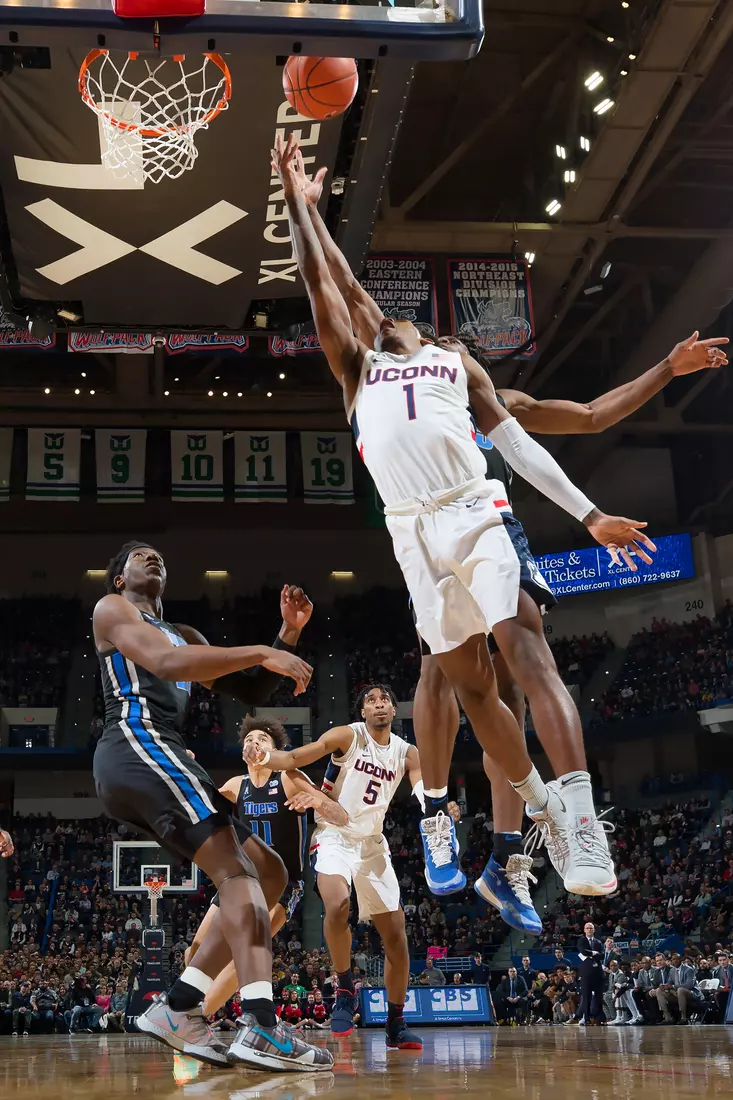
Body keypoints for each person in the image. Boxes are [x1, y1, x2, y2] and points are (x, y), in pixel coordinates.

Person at [273, 134, 705, 918]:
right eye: (380, 315)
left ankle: (576, 824)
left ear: (426, 335)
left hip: (479, 514)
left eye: (398, 316)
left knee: (523, 649)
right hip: (412, 533)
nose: (389, 316)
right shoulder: (358, 364)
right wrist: (304, 212)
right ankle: (506, 805)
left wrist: (589, 512)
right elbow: (326, 287)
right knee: (465, 686)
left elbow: (531, 438)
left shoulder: (456, 362)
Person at [91, 540, 332, 1072]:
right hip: (137, 744)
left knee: (270, 875)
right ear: (118, 579)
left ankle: (177, 1007)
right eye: (138, 555)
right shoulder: (113, 611)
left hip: (164, 753)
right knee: (240, 874)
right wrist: (261, 649)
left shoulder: (187, 635)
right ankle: (261, 1025)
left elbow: (247, 691)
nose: (152, 557)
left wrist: (286, 635)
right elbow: (163, 660)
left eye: (158, 555)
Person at [244, 682, 424, 1050]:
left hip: (372, 843)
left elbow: (423, 790)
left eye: (385, 699)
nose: (379, 704)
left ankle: (396, 1021)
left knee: (396, 938)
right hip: (333, 835)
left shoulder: (409, 753)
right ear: (362, 711)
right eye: (371, 700)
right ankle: (344, 989)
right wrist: (265, 757)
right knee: (337, 903)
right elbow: (296, 758)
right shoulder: (348, 735)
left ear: (393, 711)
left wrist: (438, 808)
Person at [186, 713, 348, 1016]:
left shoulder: (289, 777)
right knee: (196, 948)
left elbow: (339, 814)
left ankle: (197, 1019)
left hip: (283, 883)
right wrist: (186, 770)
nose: (254, 742)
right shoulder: (237, 785)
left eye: (262, 739)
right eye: (249, 739)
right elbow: (199, 810)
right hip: (242, 878)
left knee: (243, 949)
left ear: (274, 751)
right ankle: (191, 1004)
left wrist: (315, 802)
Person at [577, 921, 605, 1024]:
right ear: (584, 930)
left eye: (591, 928)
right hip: (586, 973)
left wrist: (591, 954)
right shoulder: (581, 940)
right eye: (587, 928)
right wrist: (594, 953)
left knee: (598, 996)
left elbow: (602, 956)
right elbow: (583, 951)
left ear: (594, 930)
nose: (589, 930)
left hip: (597, 972)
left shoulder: (598, 942)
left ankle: (599, 1018)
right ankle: (587, 1018)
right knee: (586, 997)